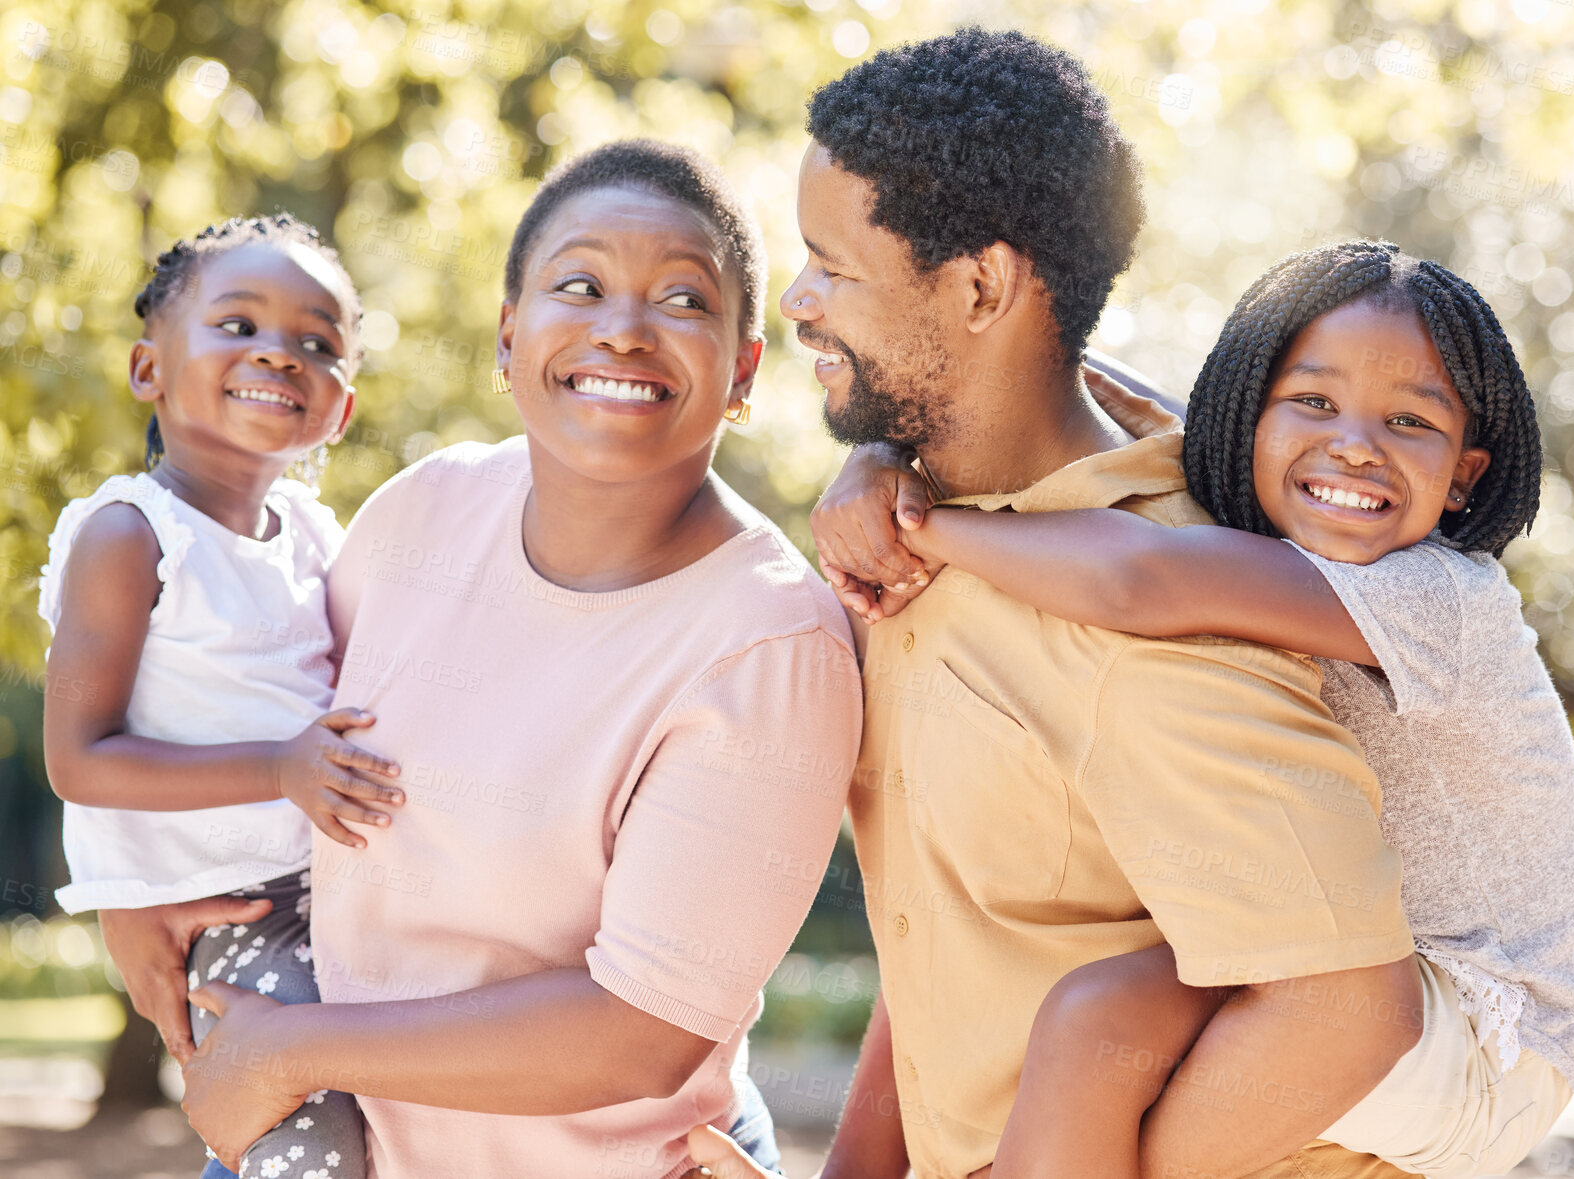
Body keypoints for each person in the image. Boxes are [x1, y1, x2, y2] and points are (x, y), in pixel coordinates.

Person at [693, 30, 1421, 1179]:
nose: (795, 300)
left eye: (832, 264)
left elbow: (1350, 1014)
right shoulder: (921, 533)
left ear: (981, 285)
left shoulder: (1156, 619)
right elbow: (955, 949)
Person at [142, 140, 863, 1178]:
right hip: (327, 1145)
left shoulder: (769, 648)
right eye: (578, 285)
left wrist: (290, 1050)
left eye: (682, 300)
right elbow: (260, 725)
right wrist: (138, 900)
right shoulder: (423, 511)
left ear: (743, 367)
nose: (621, 327)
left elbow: (638, 1031)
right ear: (509, 333)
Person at [808, 241, 1574, 1179]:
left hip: (1488, 1027)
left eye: (1409, 421)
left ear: (1464, 474)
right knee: (1090, 1031)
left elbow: (1138, 577)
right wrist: (882, 449)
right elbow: (1097, 399)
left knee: (1092, 1026)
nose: (1355, 442)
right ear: (1248, 418)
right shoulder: (1259, 533)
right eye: (1311, 402)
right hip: (1370, 975)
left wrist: (921, 526)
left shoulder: (1437, 595)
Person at [38, 214, 387, 1178]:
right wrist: (281, 768)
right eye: (239, 325)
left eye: (316, 342)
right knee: (302, 1131)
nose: (280, 350)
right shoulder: (133, 536)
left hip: (344, 893)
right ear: (150, 369)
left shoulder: (318, 539)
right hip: (225, 912)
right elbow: (79, 758)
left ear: (341, 408)